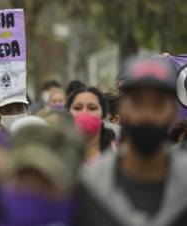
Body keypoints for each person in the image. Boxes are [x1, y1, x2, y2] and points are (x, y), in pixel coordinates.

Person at [77, 57, 187, 226]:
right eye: (137, 102)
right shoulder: (90, 186)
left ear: (173, 110)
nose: (147, 114)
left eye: (158, 104)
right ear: (123, 109)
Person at [66, 86, 115, 162]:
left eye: (92, 108)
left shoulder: (116, 153)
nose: (84, 113)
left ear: (103, 115)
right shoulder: (56, 155)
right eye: (77, 108)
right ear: (68, 113)